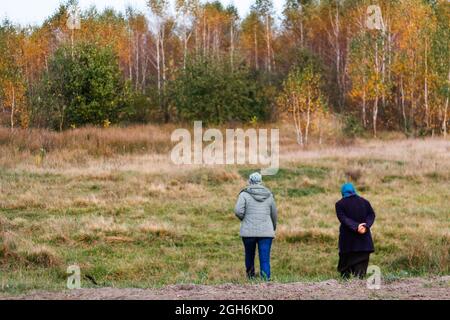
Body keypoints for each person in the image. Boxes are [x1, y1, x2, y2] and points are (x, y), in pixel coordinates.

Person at [234, 172, 277, 281]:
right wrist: (273, 228)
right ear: (260, 181)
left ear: (249, 181)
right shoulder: (269, 195)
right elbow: (274, 214)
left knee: (249, 255)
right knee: (265, 259)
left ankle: (250, 279)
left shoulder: (244, 194)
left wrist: (244, 219)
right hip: (266, 232)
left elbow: (238, 211)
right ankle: (266, 282)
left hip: (248, 232)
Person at [335, 183, 376, 279]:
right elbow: (371, 215)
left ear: (342, 192)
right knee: (360, 277)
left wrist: (356, 226)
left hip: (348, 245)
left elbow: (343, 219)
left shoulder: (340, 204)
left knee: (346, 275)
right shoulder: (365, 202)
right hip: (364, 245)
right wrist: (365, 226)